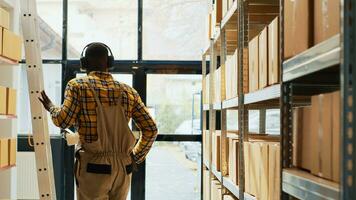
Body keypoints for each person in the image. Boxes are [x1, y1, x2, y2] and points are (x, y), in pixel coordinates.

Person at [38, 42, 158, 200]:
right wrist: (135, 156)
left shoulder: (77, 86)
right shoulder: (128, 91)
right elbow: (151, 129)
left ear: (84, 64)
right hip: (123, 168)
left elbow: (63, 121)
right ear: (109, 63)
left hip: (94, 168)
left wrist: (52, 108)